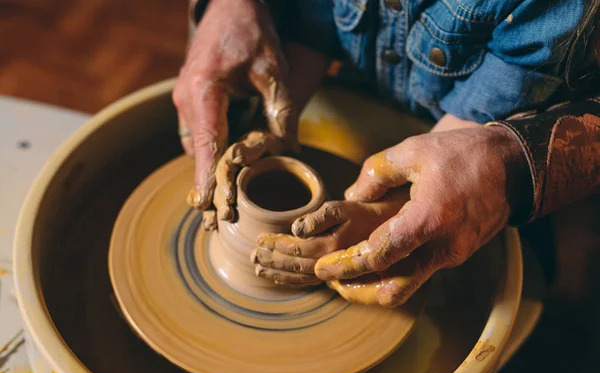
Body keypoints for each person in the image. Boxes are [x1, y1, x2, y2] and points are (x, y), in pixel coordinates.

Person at [173, 0, 600, 307]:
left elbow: (481, 119)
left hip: (488, 127)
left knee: (551, 281)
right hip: (373, 90)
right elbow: (315, 22)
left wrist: (392, 216)